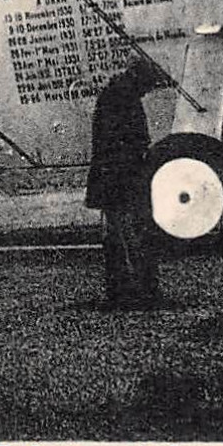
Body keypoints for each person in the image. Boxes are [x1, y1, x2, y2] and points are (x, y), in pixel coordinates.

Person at [84, 59, 165, 309]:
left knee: (117, 236)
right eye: (148, 86)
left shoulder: (115, 94)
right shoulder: (124, 98)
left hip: (112, 178)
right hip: (122, 179)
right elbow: (128, 143)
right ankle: (141, 291)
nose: (147, 91)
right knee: (133, 235)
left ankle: (121, 291)